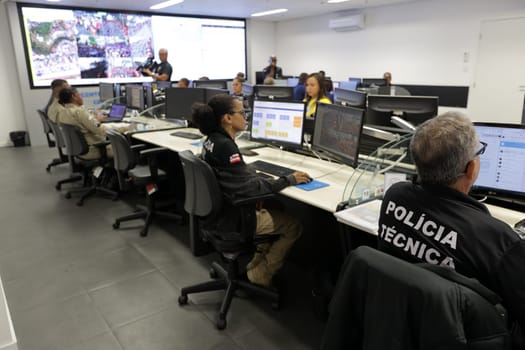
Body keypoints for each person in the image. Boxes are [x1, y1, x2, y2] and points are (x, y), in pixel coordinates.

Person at [377, 112, 525, 348]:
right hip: (467, 334)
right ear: (471, 169)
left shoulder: (395, 195)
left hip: (401, 322)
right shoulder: (498, 240)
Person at [192, 94, 311, 287]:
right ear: (227, 118)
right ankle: (262, 273)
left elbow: (234, 176)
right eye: (242, 112)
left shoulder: (212, 139)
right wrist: (288, 179)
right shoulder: (226, 146)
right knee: (293, 226)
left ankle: (255, 262)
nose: (246, 116)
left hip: (218, 214)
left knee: (273, 203)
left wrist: (250, 172)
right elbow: (251, 188)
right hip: (233, 219)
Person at [57, 87, 112, 160]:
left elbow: (89, 123)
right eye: (79, 95)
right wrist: (123, 128)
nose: (81, 97)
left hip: (78, 149)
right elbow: (100, 129)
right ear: (74, 97)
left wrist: (93, 119)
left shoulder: (61, 113)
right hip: (95, 149)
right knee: (125, 147)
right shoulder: (80, 112)